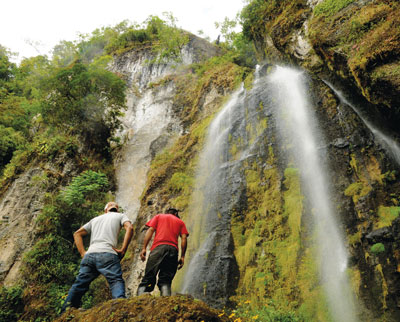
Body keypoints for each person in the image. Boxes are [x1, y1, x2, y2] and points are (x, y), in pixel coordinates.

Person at [61, 201, 133, 313]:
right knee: (115, 281)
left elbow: (77, 234)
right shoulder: (120, 216)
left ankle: (65, 312)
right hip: (108, 254)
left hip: (90, 254)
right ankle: (120, 308)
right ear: (116, 210)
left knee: (79, 284)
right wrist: (123, 249)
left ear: (106, 210)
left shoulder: (95, 219)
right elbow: (130, 228)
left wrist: (83, 253)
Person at [137, 208, 189, 296]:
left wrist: (144, 248)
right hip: (173, 250)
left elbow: (150, 230)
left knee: (148, 278)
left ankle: (139, 301)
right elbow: (184, 238)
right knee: (166, 281)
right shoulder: (180, 222)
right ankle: (165, 299)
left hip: (158, 248)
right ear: (176, 214)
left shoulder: (159, 217)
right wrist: (182, 256)